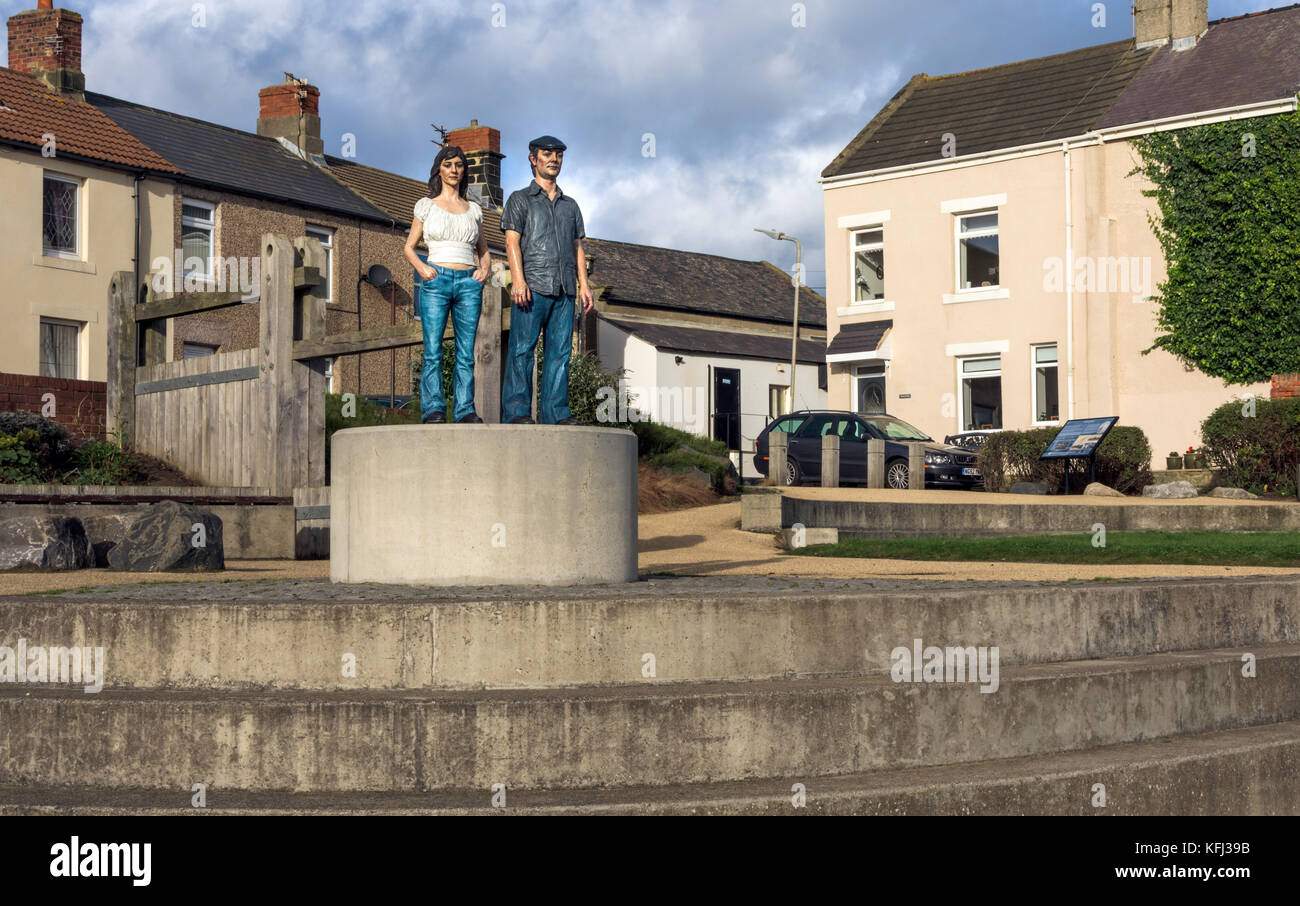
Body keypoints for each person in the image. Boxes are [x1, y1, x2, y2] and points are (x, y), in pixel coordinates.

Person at [499, 135, 594, 425]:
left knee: (560, 354)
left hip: (565, 290)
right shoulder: (520, 199)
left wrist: (584, 285)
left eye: (558, 155)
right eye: (547, 154)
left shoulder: (571, 206)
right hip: (532, 287)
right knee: (522, 351)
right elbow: (511, 242)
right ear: (533, 159)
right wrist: (518, 280)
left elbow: (577, 247)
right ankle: (517, 412)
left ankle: (557, 414)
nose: (554, 159)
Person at [403, 144, 490, 424]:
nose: (454, 170)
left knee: (466, 352)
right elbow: (408, 248)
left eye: (459, 165)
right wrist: (423, 268)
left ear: (464, 171)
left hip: (468, 283)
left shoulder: (474, 210)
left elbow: (484, 249)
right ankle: (434, 409)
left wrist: (484, 270)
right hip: (436, 280)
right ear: (439, 169)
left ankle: (464, 410)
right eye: (448, 164)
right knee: (433, 349)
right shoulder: (426, 206)